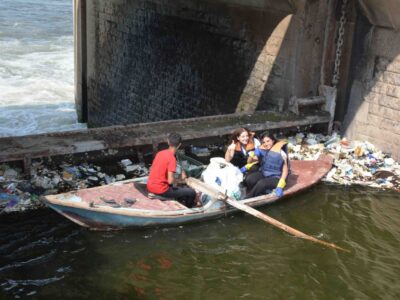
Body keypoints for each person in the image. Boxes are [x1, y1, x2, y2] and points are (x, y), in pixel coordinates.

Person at [147, 133, 197, 208]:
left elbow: (152, 169)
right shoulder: (172, 158)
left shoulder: (160, 153)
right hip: (161, 190)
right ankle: (189, 208)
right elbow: (170, 181)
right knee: (192, 192)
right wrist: (181, 180)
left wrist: (177, 180)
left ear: (168, 142)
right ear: (179, 145)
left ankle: (178, 198)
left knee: (178, 187)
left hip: (150, 186)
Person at [245, 131, 289, 198]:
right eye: (264, 142)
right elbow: (249, 162)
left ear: (273, 140)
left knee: (261, 183)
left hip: (276, 177)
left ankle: (247, 198)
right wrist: (252, 154)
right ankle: (261, 191)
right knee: (249, 179)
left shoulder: (281, 152)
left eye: (268, 141)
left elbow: (285, 170)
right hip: (265, 173)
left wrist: (280, 185)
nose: (266, 144)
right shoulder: (262, 150)